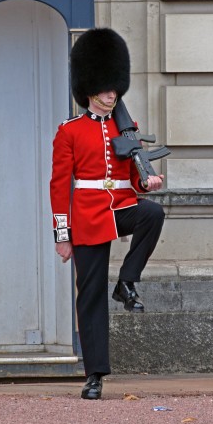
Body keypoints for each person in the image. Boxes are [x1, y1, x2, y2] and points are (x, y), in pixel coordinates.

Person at [50, 28, 166, 400]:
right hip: (85, 216)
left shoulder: (125, 127)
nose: (111, 94)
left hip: (121, 207)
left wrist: (148, 182)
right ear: (89, 90)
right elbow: (58, 186)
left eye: (113, 88)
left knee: (152, 213)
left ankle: (127, 282)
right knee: (90, 296)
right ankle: (95, 374)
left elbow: (133, 174)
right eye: (104, 89)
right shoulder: (70, 131)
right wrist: (62, 235)